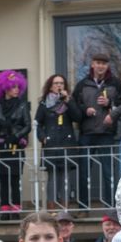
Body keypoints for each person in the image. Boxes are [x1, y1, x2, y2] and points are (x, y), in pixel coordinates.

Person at [74, 54, 121, 207]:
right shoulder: (82, 84)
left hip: (106, 133)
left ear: (107, 66)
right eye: (98, 63)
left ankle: (110, 207)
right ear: (92, 65)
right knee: (83, 173)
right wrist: (85, 110)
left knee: (109, 173)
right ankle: (83, 207)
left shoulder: (116, 84)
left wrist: (111, 103)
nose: (101, 66)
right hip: (86, 134)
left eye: (104, 63)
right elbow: (74, 107)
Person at [0, 70, 30, 214]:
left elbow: (28, 125)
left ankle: (16, 207)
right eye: (13, 87)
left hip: (15, 146)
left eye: (18, 87)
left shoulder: (22, 105)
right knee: (3, 179)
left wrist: (16, 136)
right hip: (0, 146)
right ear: (5, 88)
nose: (16, 90)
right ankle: (4, 208)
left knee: (15, 178)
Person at [34, 74, 80, 208]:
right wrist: (42, 137)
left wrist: (68, 101)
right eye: (56, 83)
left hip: (67, 143)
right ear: (50, 86)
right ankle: (51, 209)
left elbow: (77, 117)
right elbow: (37, 123)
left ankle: (65, 208)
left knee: (65, 177)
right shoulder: (44, 104)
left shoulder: (69, 101)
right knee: (52, 177)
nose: (59, 86)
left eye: (61, 83)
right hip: (51, 144)